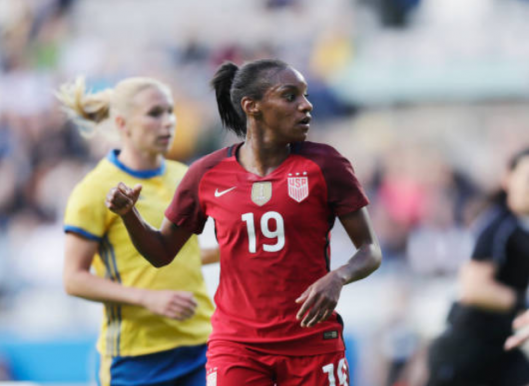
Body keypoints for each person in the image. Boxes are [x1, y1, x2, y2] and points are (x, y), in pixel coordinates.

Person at [105, 59, 382, 385]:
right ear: (252, 107)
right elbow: (161, 252)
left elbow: (370, 249)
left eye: (305, 95)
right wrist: (129, 215)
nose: (306, 106)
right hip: (237, 346)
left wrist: (339, 276)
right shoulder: (206, 174)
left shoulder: (326, 165)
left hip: (311, 341)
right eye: (290, 96)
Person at [58, 76, 216, 386]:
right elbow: (73, 278)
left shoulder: (185, 177)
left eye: (170, 112)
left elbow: (182, 255)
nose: (168, 122)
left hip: (201, 345)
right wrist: (148, 298)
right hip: (136, 357)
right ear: (122, 123)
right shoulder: (94, 190)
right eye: (155, 114)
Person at [427, 147, 529, 386]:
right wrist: (522, 301)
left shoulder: (521, 226)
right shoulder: (499, 225)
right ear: (508, 178)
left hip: (503, 349)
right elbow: (474, 289)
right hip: (469, 350)